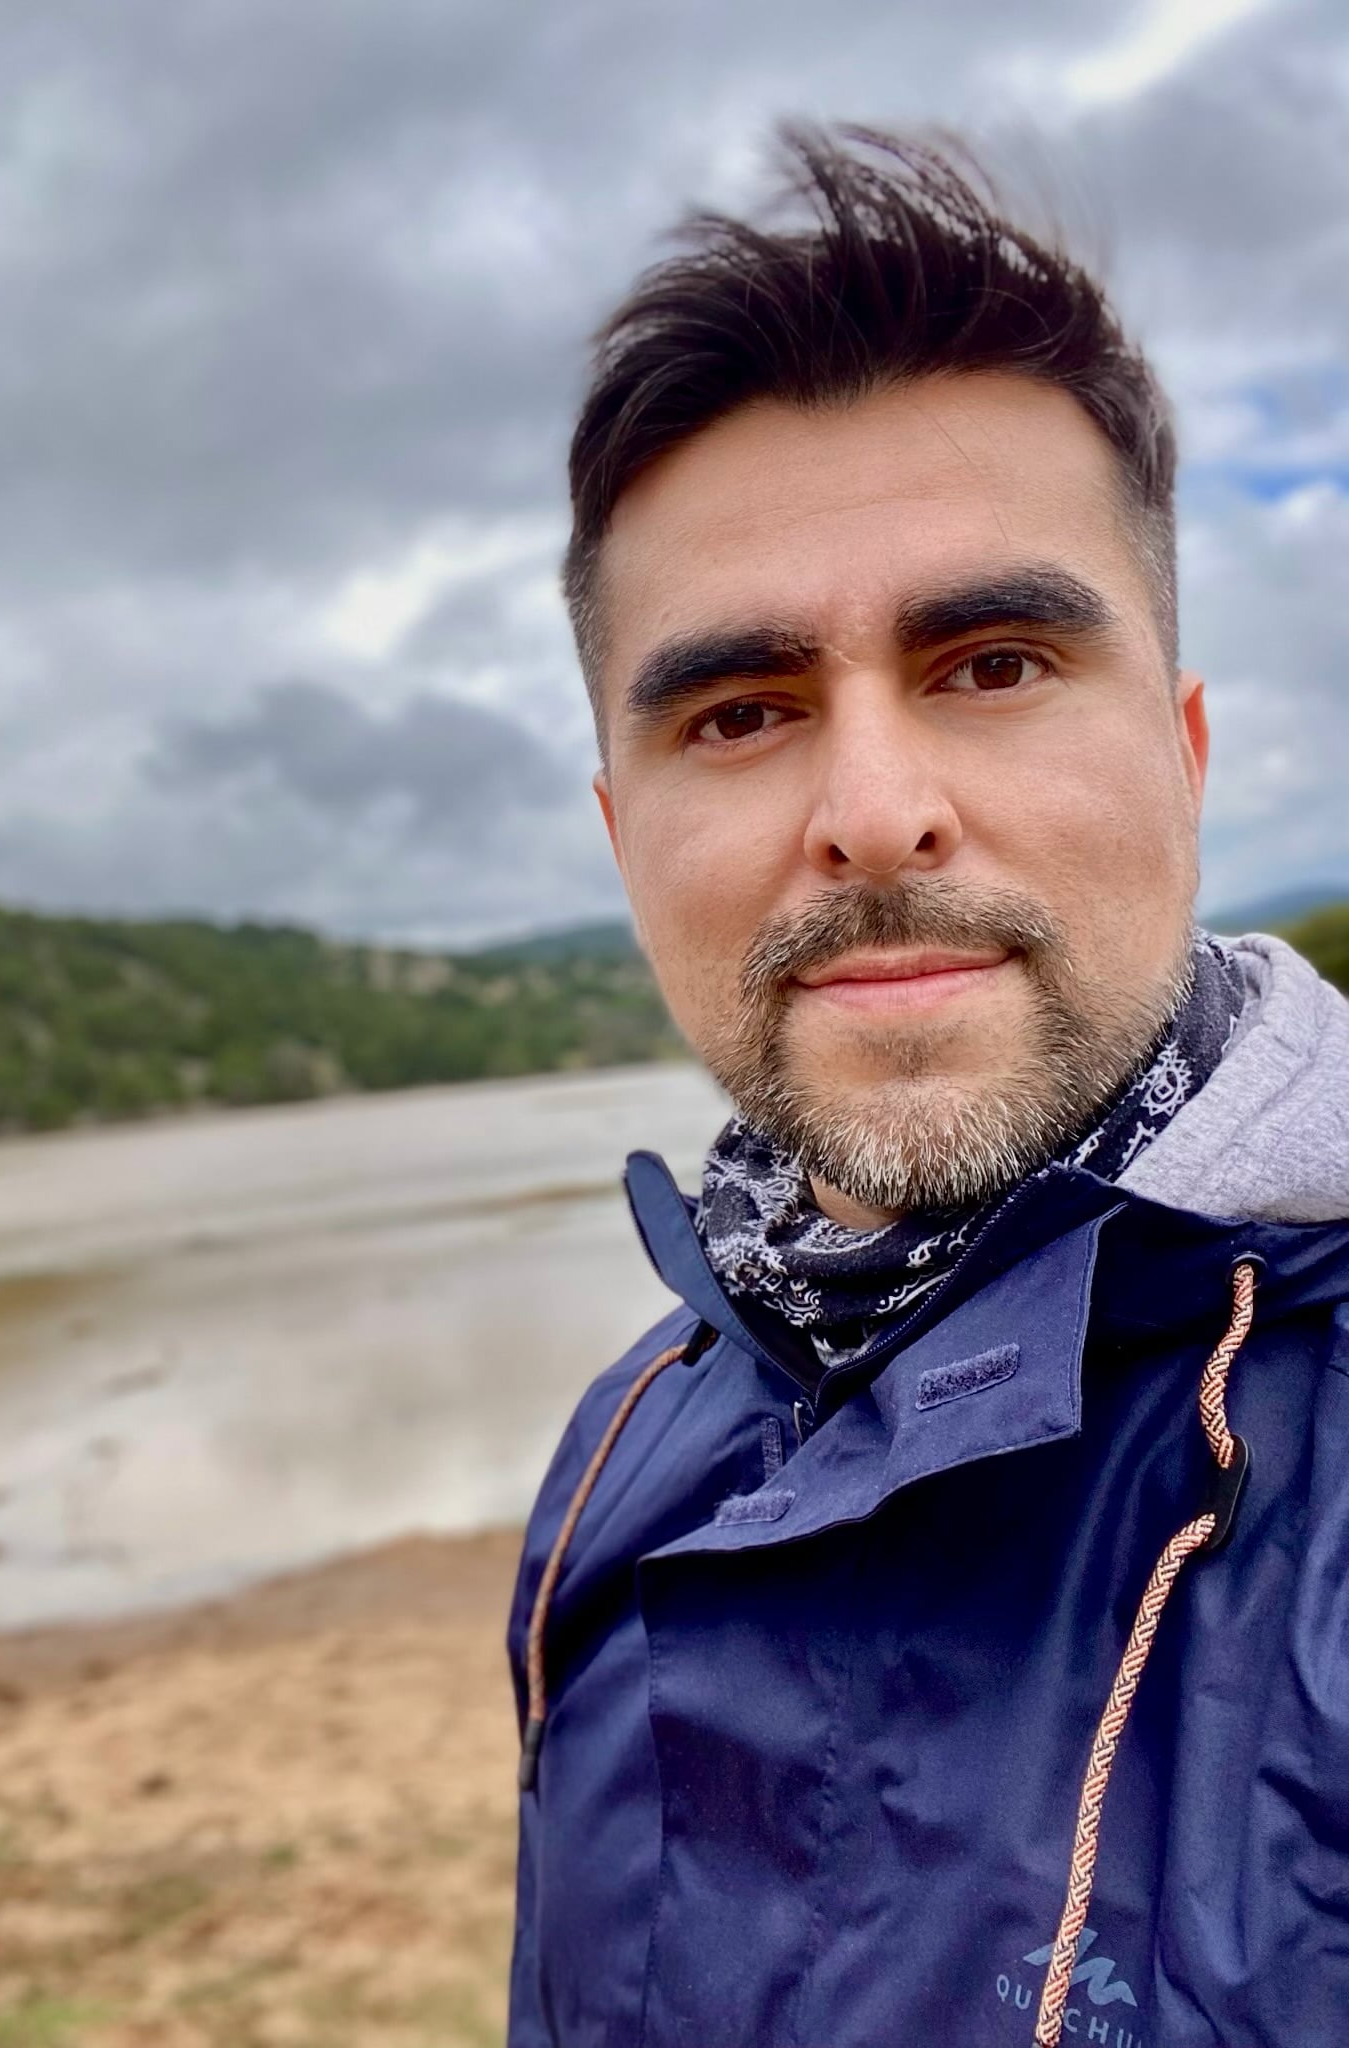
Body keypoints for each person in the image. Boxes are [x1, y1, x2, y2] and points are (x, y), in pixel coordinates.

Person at [504, 124, 1349, 2048]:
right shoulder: (619, 1449)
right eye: (742, 712)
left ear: (1187, 752)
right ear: (626, 840)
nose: (876, 813)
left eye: (992, 664)